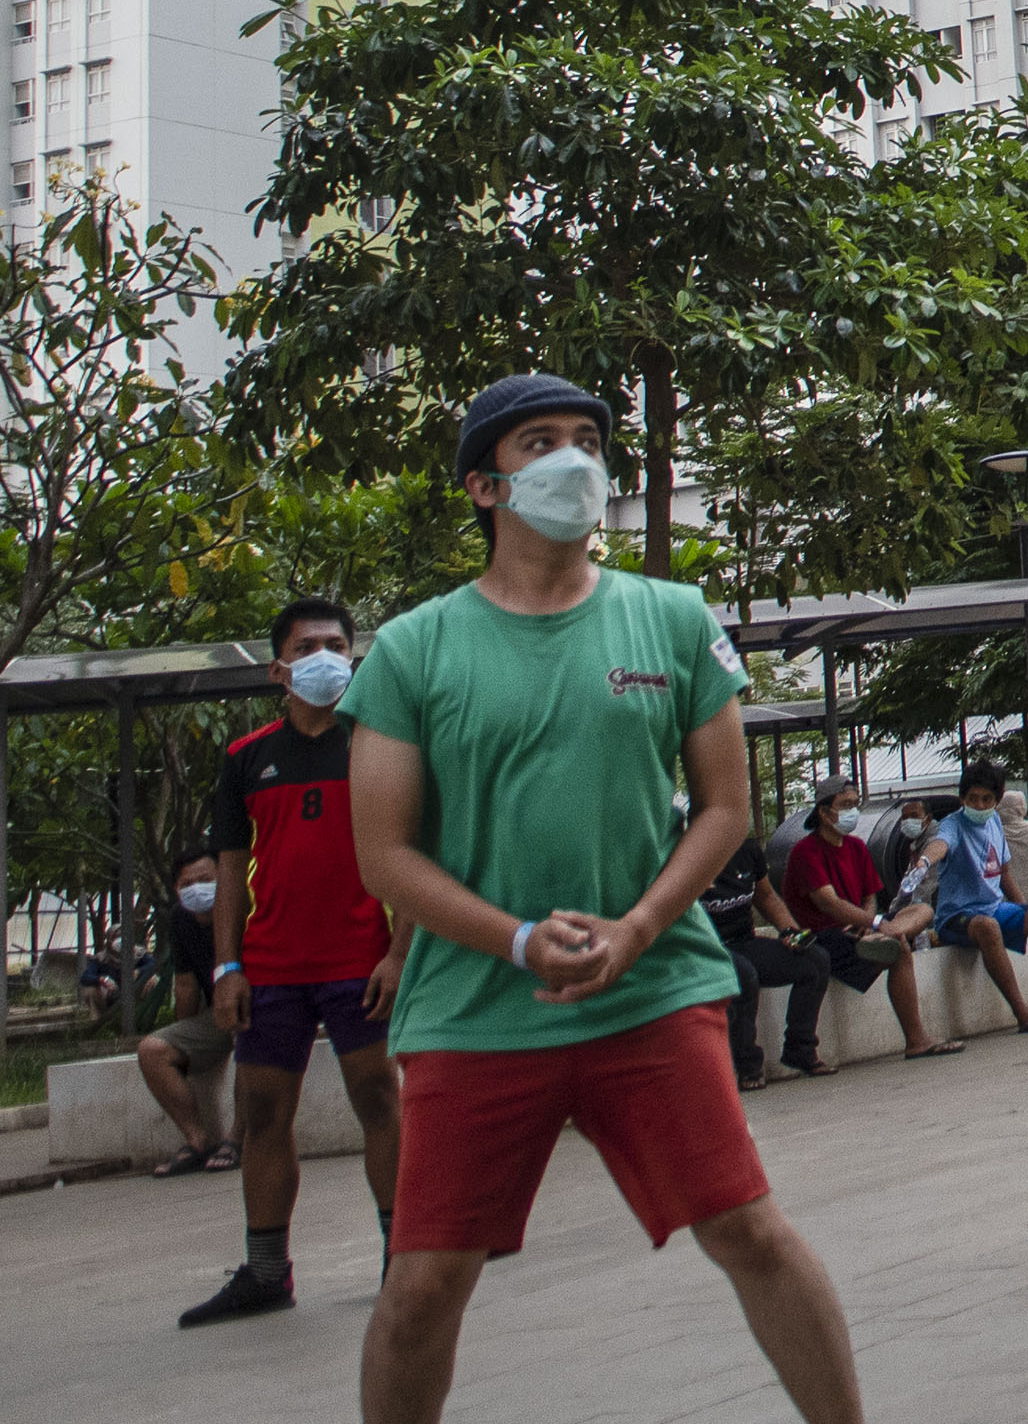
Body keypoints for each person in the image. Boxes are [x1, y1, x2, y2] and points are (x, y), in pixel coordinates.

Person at [343, 372, 862, 1424]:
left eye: (589, 437)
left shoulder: (671, 619)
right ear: (485, 486)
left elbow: (725, 809)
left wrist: (635, 929)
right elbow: (385, 854)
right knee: (422, 1285)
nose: (575, 459)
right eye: (541, 441)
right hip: (476, 1009)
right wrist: (520, 938)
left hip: (653, 989)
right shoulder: (412, 649)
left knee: (751, 1232)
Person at [180, 596, 409, 1325]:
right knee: (264, 1110)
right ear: (279, 665)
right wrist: (227, 967)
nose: (326, 655)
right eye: (309, 644)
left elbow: (411, 855)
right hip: (271, 968)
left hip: (361, 961)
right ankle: (266, 1272)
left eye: (337, 643)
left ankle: (402, 1262)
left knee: (379, 1100)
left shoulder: (383, 743)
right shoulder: (246, 758)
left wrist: (400, 952)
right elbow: (229, 863)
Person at [894, 757, 1028, 1034]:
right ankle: (1022, 1012)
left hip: (994, 908)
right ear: (962, 798)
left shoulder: (995, 822)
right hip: (956, 917)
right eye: (973, 799)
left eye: (987, 799)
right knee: (988, 927)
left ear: (997, 800)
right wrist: (925, 862)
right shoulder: (952, 824)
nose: (980, 806)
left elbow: (1005, 873)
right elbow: (940, 844)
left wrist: (1024, 909)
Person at [773, 796, 954, 1061]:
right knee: (899, 948)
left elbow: (870, 896)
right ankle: (916, 1040)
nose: (853, 811)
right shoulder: (805, 852)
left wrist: (869, 925)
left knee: (923, 910)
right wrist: (872, 923)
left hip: (861, 929)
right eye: (845, 805)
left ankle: (883, 936)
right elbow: (830, 904)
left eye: (854, 804)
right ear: (824, 813)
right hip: (826, 935)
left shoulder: (857, 847)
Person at [131, 849, 235, 1178]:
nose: (196, 888)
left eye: (205, 880)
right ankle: (197, 1140)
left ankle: (237, 1139)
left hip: (263, 1006)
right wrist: (186, 1039)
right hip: (218, 1013)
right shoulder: (180, 919)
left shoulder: (245, 909)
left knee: (253, 1038)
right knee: (152, 1050)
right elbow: (186, 986)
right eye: (187, 883)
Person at [701, 831, 832, 1091]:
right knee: (744, 974)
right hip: (706, 948)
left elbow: (767, 898)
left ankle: (800, 1050)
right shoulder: (691, 852)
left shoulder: (747, 850)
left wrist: (791, 932)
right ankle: (747, 1065)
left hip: (743, 942)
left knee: (815, 961)